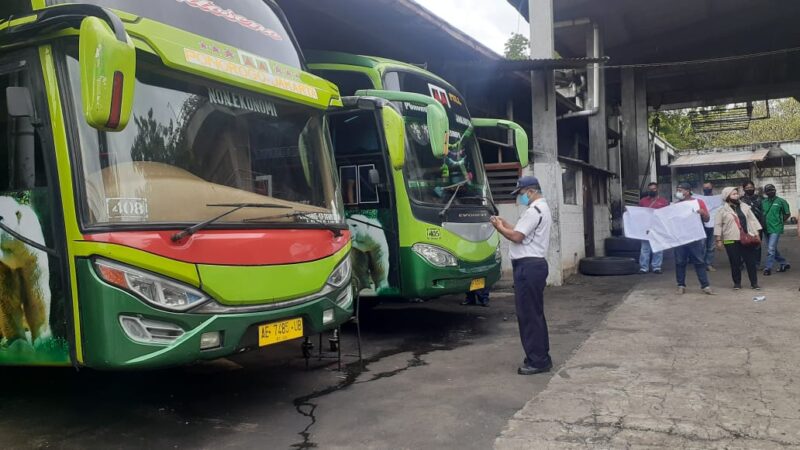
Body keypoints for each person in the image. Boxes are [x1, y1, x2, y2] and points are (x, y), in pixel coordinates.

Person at [490, 176, 552, 375]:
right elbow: (519, 231)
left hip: (528, 267)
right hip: (534, 266)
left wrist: (499, 228)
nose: (519, 198)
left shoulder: (533, 211)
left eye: (520, 194)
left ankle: (538, 361)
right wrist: (505, 223)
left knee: (528, 315)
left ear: (531, 191)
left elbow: (516, 237)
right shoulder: (542, 209)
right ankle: (540, 356)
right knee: (534, 314)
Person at [714, 187, 762, 290]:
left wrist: (757, 234)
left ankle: (754, 283)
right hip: (730, 239)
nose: (736, 195)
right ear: (727, 197)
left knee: (750, 261)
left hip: (746, 237)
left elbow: (753, 221)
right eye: (733, 194)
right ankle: (737, 283)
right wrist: (718, 240)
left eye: (736, 193)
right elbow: (718, 225)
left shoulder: (745, 207)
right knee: (735, 262)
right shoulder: (721, 210)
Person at [673, 182, 714, 295]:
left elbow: (707, 219)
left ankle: (705, 285)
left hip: (695, 237)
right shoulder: (675, 205)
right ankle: (681, 285)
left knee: (699, 261)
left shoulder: (698, 203)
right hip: (680, 238)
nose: (678, 192)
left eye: (680, 190)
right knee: (680, 262)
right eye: (678, 190)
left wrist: (702, 213)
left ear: (687, 191)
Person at [638, 182, 669, 274]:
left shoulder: (664, 201)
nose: (652, 191)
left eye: (654, 189)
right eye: (650, 189)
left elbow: (667, 214)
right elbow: (638, 213)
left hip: (659, 228)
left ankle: (656, 267)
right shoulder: (642, 201)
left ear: (657, 189)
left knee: (658, 248)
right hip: (646, 228)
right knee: (645, 249)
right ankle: (644, 268)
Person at [761, 184, 791, 276]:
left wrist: (780, 221)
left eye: (772, 190)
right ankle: (784, 263)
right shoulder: (763, 202)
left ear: (775, 190)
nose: (771, 192)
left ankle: (768, 268)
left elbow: (787, 213)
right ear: (765, 193)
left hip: (776, 228)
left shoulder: (781, 201)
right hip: (766, 228)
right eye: (768, 190)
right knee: (773, 248)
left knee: (770, 248)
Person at [739, 180, 765, 268]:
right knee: (744, 243)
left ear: (754, 188)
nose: (749, 189)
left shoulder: (760, 198)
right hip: (745, 225)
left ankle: (756, 263)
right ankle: (742, 263)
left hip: (758, 225)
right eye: (747, 188)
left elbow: (763, 211)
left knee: (757, 244)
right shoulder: (740, 200)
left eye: (751, 187)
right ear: (744, 189)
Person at [702, 181, 717, 272]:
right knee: (701, 246)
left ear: (712, 187)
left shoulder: (717, 199)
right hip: (702, 225)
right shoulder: (699, 199)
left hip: (713, 225)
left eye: (708, 187)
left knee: (711, 246)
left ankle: (708, 264)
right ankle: (700, 264)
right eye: (704, 188)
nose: (706, 189)